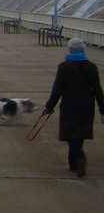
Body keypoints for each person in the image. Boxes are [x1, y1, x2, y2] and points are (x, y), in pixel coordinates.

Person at [43, 38, 104, 178]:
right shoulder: (91, 67)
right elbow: (98, 90)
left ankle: (80, 158)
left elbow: (57, 89)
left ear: (70, 50)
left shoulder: (64, 67)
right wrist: (102, 109)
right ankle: (73, 164)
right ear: (83, 50)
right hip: (87, 105)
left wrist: (49, 106)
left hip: (69, 105)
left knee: (70, 134)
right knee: (80, 133)